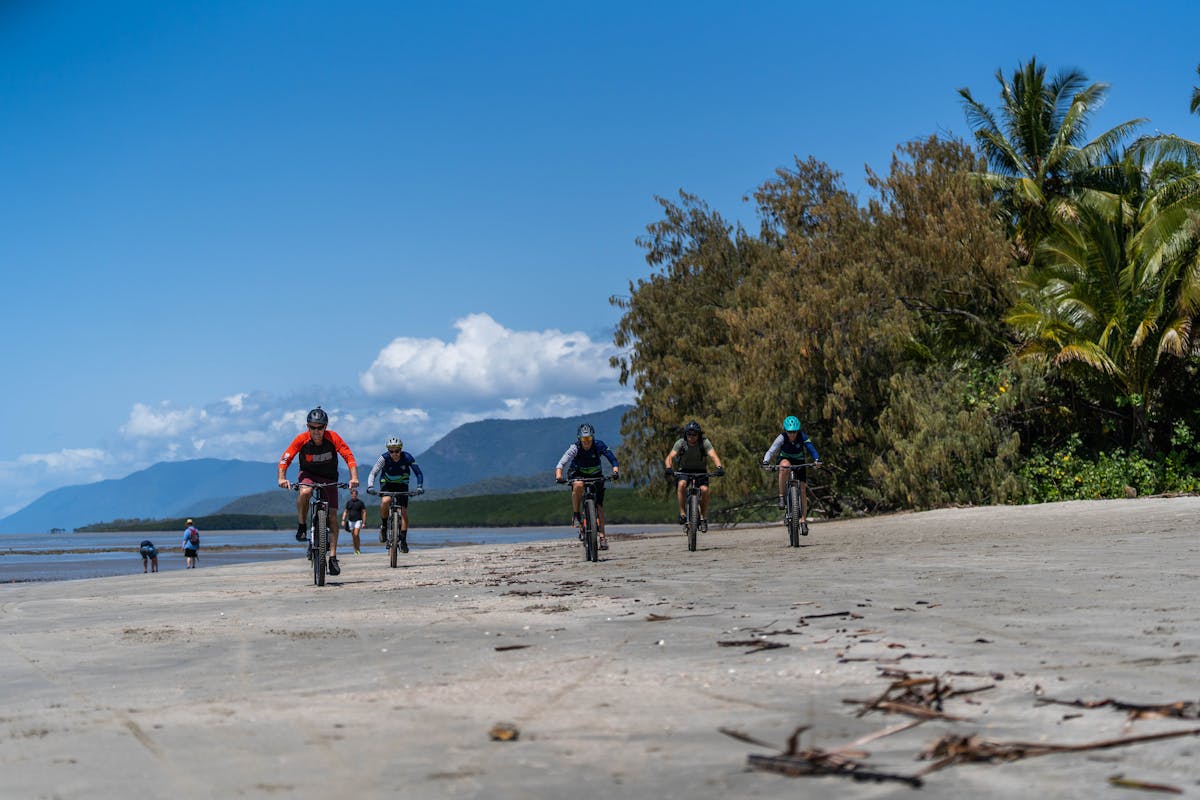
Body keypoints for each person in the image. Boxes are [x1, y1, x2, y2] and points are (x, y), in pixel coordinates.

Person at [277, 406, 359, 577]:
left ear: (325, 427)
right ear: (308, 427)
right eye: (312, 427)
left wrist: (354, 478)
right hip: (308, 474)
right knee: (305, 492)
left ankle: (333, 558)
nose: (316, 431)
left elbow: (348, 457)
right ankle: (302, 525)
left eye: (320, 427)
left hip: (329, 477)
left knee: (332, 516)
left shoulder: (333, 438)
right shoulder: (301, 439)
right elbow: (286, 458)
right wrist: (282, 478)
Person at [555, 423, 619, 550]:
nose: (586, 442)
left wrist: (615, 471)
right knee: (578, 485)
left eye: (589, 439)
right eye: (584, 439)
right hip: (577, 473)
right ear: (579, 438)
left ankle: (602, 537)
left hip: (596, 475)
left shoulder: (599, 445)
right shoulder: (575, 448)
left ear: (592, 438)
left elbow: (613, 459)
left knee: (599, 506)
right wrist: (559, 476)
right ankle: (576, 515)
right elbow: (561, 463)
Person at [762, 415, 821, 535]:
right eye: (789, 432)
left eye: (794, 432)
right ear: (785, 431)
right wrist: (766, 462)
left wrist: (817, 460)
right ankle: (781, 496)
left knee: (803, 489)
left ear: (797, 431)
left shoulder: (802, 437)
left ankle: (803, 521)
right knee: (784, 467)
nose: (792, 435)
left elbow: (811, 449)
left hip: (799, 461)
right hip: (785, 459)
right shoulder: (781, 438)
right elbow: (771, 450)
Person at [366, 436, 424, 554]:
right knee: (385, 501)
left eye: (397, 451)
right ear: (388, 451)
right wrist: (370, 486)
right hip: (387, 483)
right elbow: (373, 473)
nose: (394, 454)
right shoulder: (383, 458)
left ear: (401, 450)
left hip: (402, 484)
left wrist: (419, 487)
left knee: (403, 511)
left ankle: (403, 540)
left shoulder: (407, 457)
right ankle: (383, 526)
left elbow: (418, 473)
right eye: (391, 451)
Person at [664, 420, 724, 531]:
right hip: (684, 471)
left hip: (701, 471)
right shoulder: (681, 443)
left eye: (694, 434)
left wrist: (719, 467)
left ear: (699, 434)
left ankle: (703, 518)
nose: (691, 437)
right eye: (689, 434)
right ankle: (682, 513)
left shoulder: (704, 443)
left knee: (704, 490)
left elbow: (713, 456)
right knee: (681, 484)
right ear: (685, 434)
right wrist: (668, 467)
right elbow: (670, 457)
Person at [341, 487, 367, 555]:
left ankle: (358, 549)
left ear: (357, 495)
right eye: (353, 494)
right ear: (351, 495)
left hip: (358, 520)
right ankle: (355, 549)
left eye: (355, 494)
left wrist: (364, 522)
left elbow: (364, 512)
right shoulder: (349, 502)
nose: (354, 495)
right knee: (353, 536)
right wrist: (343, 520)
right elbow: (345, 511)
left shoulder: (360, 502)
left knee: (356, 534)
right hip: (350, 521)